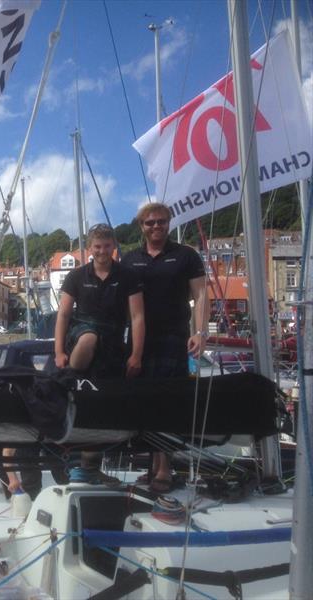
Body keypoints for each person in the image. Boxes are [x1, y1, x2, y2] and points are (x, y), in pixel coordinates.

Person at [122, 202, 207, 493]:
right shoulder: (129, 259)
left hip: (174, 338)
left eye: (161, 221)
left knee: (168, 403)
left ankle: (165, 468)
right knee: (145, 403)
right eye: (150, 223)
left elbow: (201, 294)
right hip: (139, 341)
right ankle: (151, 466)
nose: (156, 227)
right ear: (141, 226)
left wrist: (200, 332)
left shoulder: (186, 256)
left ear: (169, 223)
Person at [54, 223, 145, 484]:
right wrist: (59, 351)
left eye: (107, 246)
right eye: (97, 247)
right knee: (89, 338)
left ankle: (89, 467)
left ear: (114, 247)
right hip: (82, 332)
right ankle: (73, 372)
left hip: (114, 340)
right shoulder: (76, 276)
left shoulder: (127, 276)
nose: (102, 251)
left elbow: (137, 317)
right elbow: (63, 314)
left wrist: (136, 354)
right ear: (89, 249)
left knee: (100, 407)